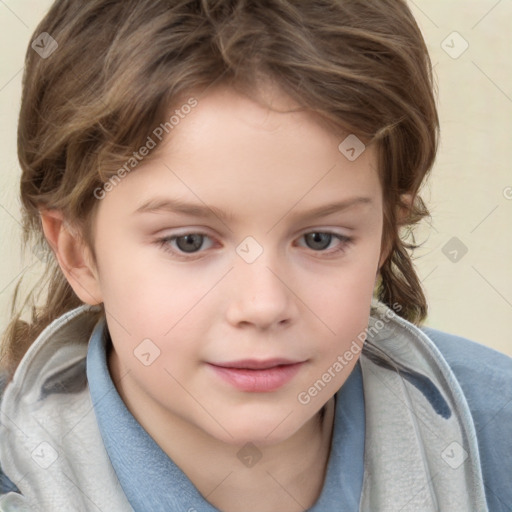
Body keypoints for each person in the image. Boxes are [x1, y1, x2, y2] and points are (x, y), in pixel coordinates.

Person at [0, 0, 510, 510]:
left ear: (384, 238)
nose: (264, 305)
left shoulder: (493, 439)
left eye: (320, 239)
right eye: (189, 242)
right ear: (79, 254)